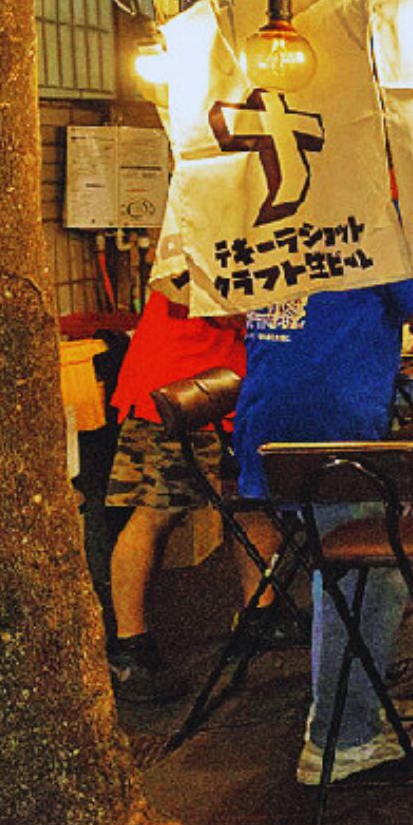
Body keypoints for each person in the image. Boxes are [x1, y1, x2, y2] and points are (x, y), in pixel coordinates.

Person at [232, 281, 413, 785]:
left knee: (346, 573)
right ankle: (341, 739)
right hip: (331, 428)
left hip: (269, 418)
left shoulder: (295, 222)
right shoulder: (367, 225)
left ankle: (356, 701)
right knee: (366, 579)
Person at [104, 289, 277, 702]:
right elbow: (200, 300)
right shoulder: (194, 234)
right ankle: (129, 647)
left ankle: (262, 614)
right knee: (156, 513)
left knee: (252, 502)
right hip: (177, 387)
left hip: (229, 390)